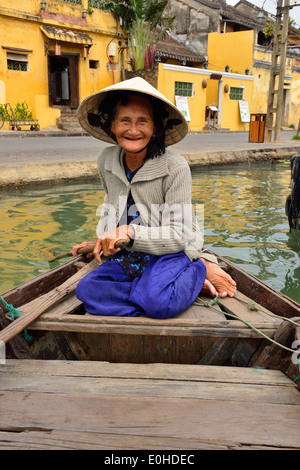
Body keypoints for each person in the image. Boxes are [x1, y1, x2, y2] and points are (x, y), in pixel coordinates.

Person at [73, 77, 236, 319]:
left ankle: (197, 270)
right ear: (112, 124)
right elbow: (112, 206)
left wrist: (129, 233)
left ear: (156, 127)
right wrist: (102, 241)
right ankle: (158, 291)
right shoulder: (106, 161)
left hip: (171, 251)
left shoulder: (175, 166)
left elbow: (180, 235)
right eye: (124, 121)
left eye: (143, 122)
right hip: (130, 254)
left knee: (157, 302)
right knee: (87, 291)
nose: (133, 130)